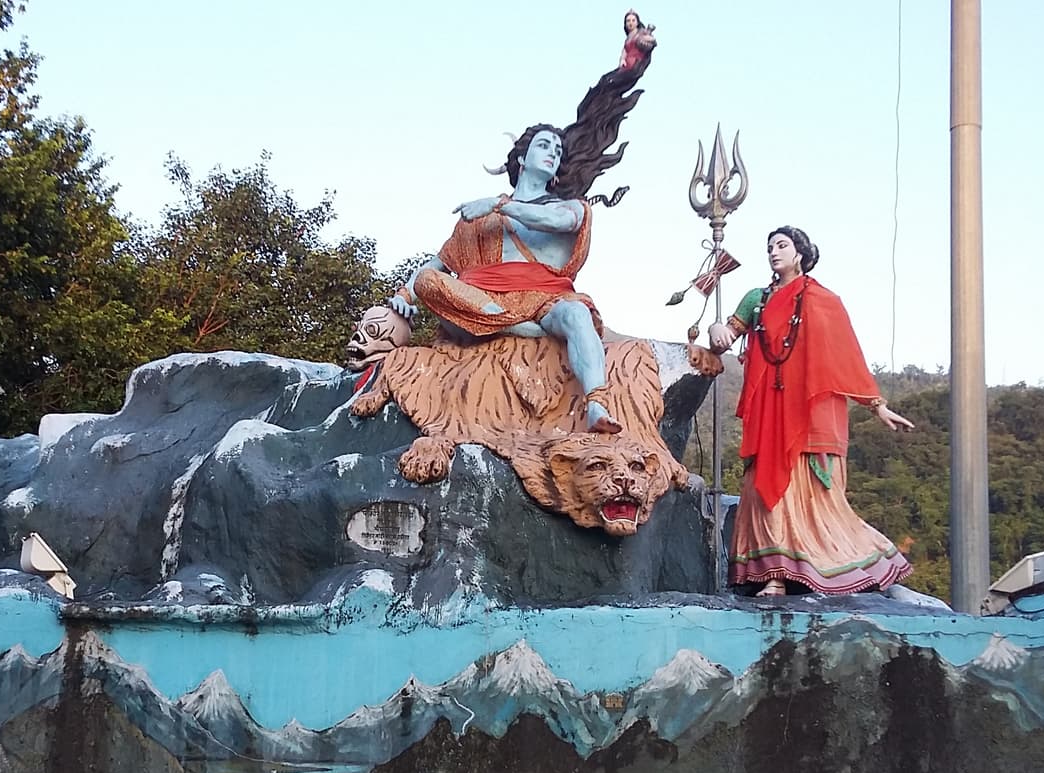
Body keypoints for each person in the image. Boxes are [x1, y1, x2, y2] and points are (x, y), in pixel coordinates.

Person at [389, 47, 651, 437]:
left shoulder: (569, 207)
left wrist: (500, 204)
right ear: (522, 156)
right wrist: (406, 295)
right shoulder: (482, 218)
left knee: (577, 315)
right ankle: (514, 327)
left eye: (558, 150)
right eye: (544, 146)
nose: (553, 153)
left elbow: (552, 219)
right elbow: (438, 263)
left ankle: (596, 401)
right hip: (485, 301)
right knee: (429, 284)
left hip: (545, 299)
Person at [703, 227, 915, 596]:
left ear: (800, 253)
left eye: (782, 245)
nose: (773, 252)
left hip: (808, 411)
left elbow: (845, 357)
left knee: (807, 490)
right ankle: (773, 574)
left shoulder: (822, 300)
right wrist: (715, 327)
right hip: (769, 412)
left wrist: (877, 407)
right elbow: (725, 340)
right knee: (762, 488)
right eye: (769, 247)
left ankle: (823, 568)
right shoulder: (757, 298)